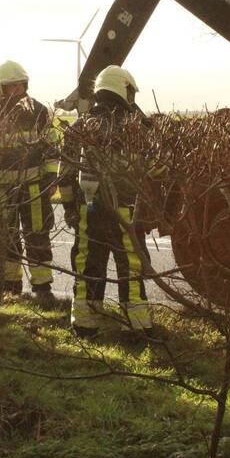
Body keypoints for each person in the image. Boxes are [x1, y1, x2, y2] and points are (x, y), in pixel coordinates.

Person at [58, 65, 154, 339]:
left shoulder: (80, 126)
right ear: (123, 90)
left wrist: (69, 209)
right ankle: (138, 327)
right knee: (131, 266)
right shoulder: (134, 128)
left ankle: (85, 325)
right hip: (125, 210)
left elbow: (64, 175)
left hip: (89, 209)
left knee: (88, 264)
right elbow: (152, 168)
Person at [0, 60, 59, 306]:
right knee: (6, 239)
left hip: (33, 188)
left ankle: (42, 288)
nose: (15, 91)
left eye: (19, 86)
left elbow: (51, 147)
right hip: (0, 190)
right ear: (0, 88)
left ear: (25, 85)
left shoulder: (38, 111)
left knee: (38, 236)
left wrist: (51, 177)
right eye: (10, 87)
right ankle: (10, 287)